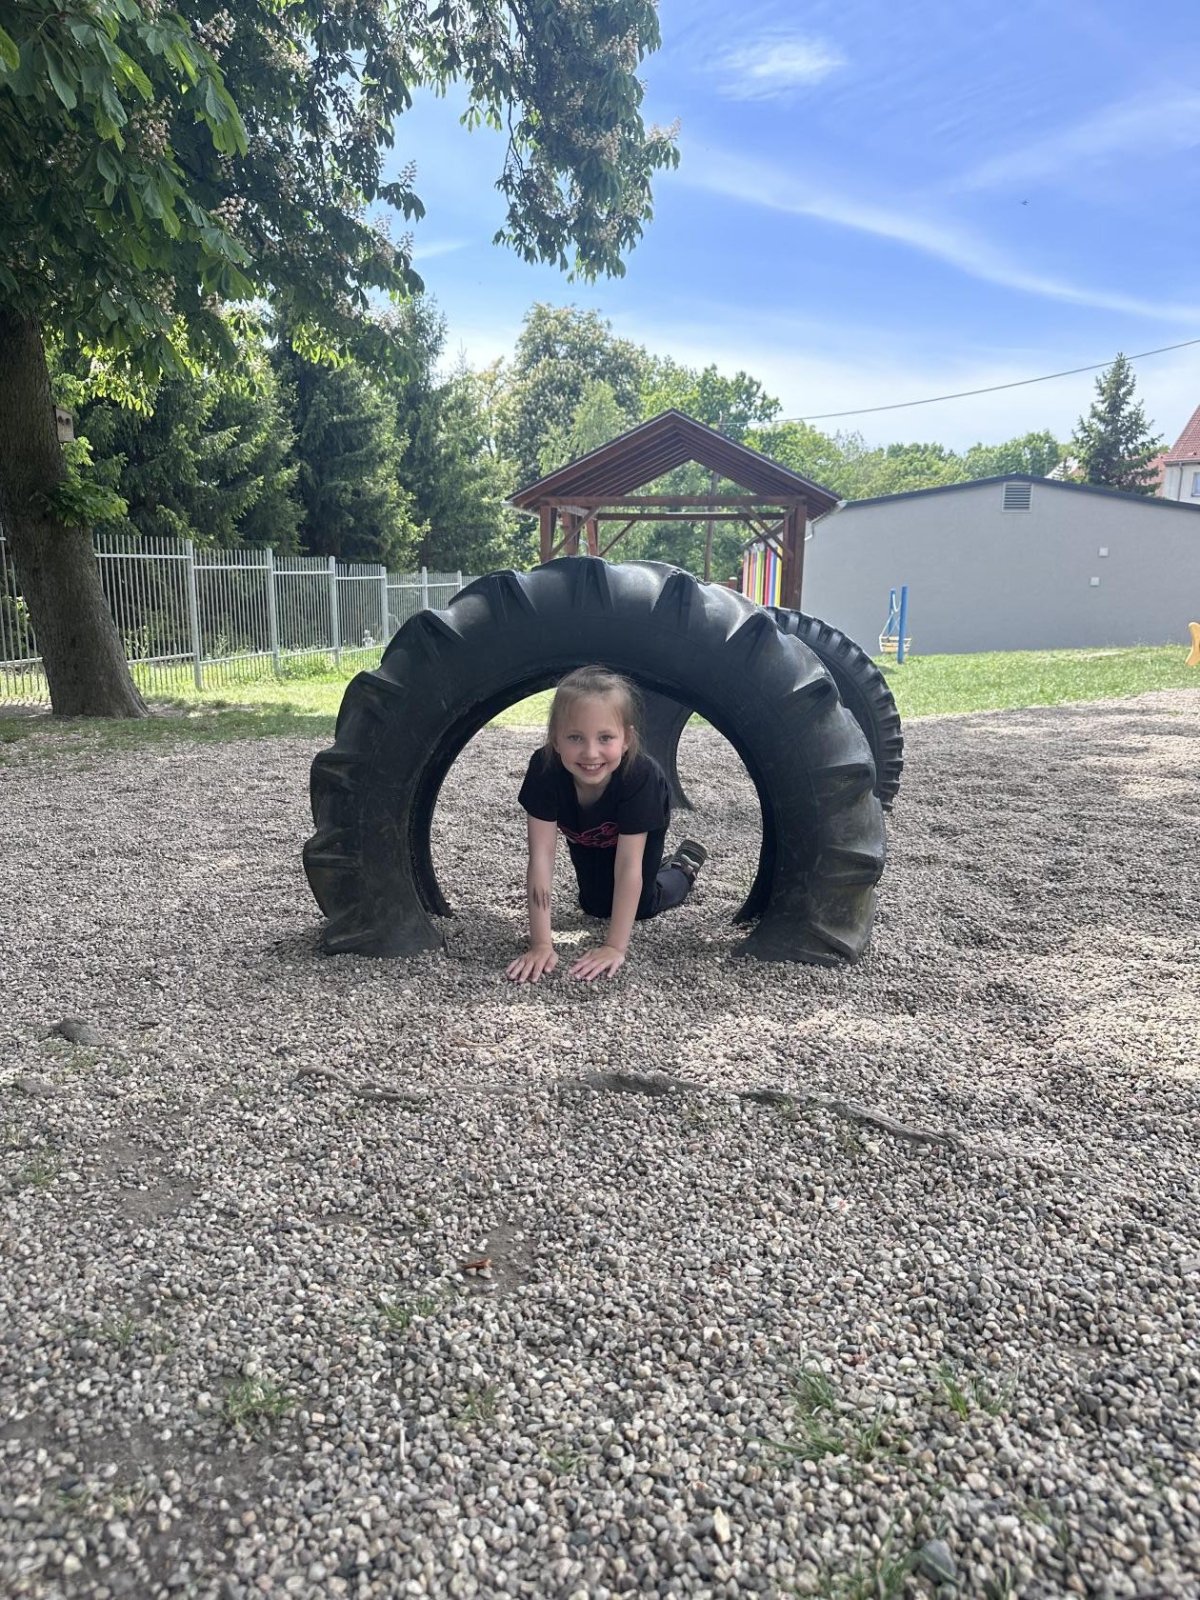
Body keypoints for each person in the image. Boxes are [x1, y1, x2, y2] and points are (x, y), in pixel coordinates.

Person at [507, 665, 707, 984]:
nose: (590, 753)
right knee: (595, 905)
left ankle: (681, 867)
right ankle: (653, 872)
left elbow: (628, 866)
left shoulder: (640, 777)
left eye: (605, 738)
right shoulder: (545, 770)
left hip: (637, 825)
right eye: (575, 737)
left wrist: (614, 947)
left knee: (641, 905)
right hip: (587, 832)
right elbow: (541, 858)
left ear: (626, 739)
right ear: (555, 739)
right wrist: (541, 944)